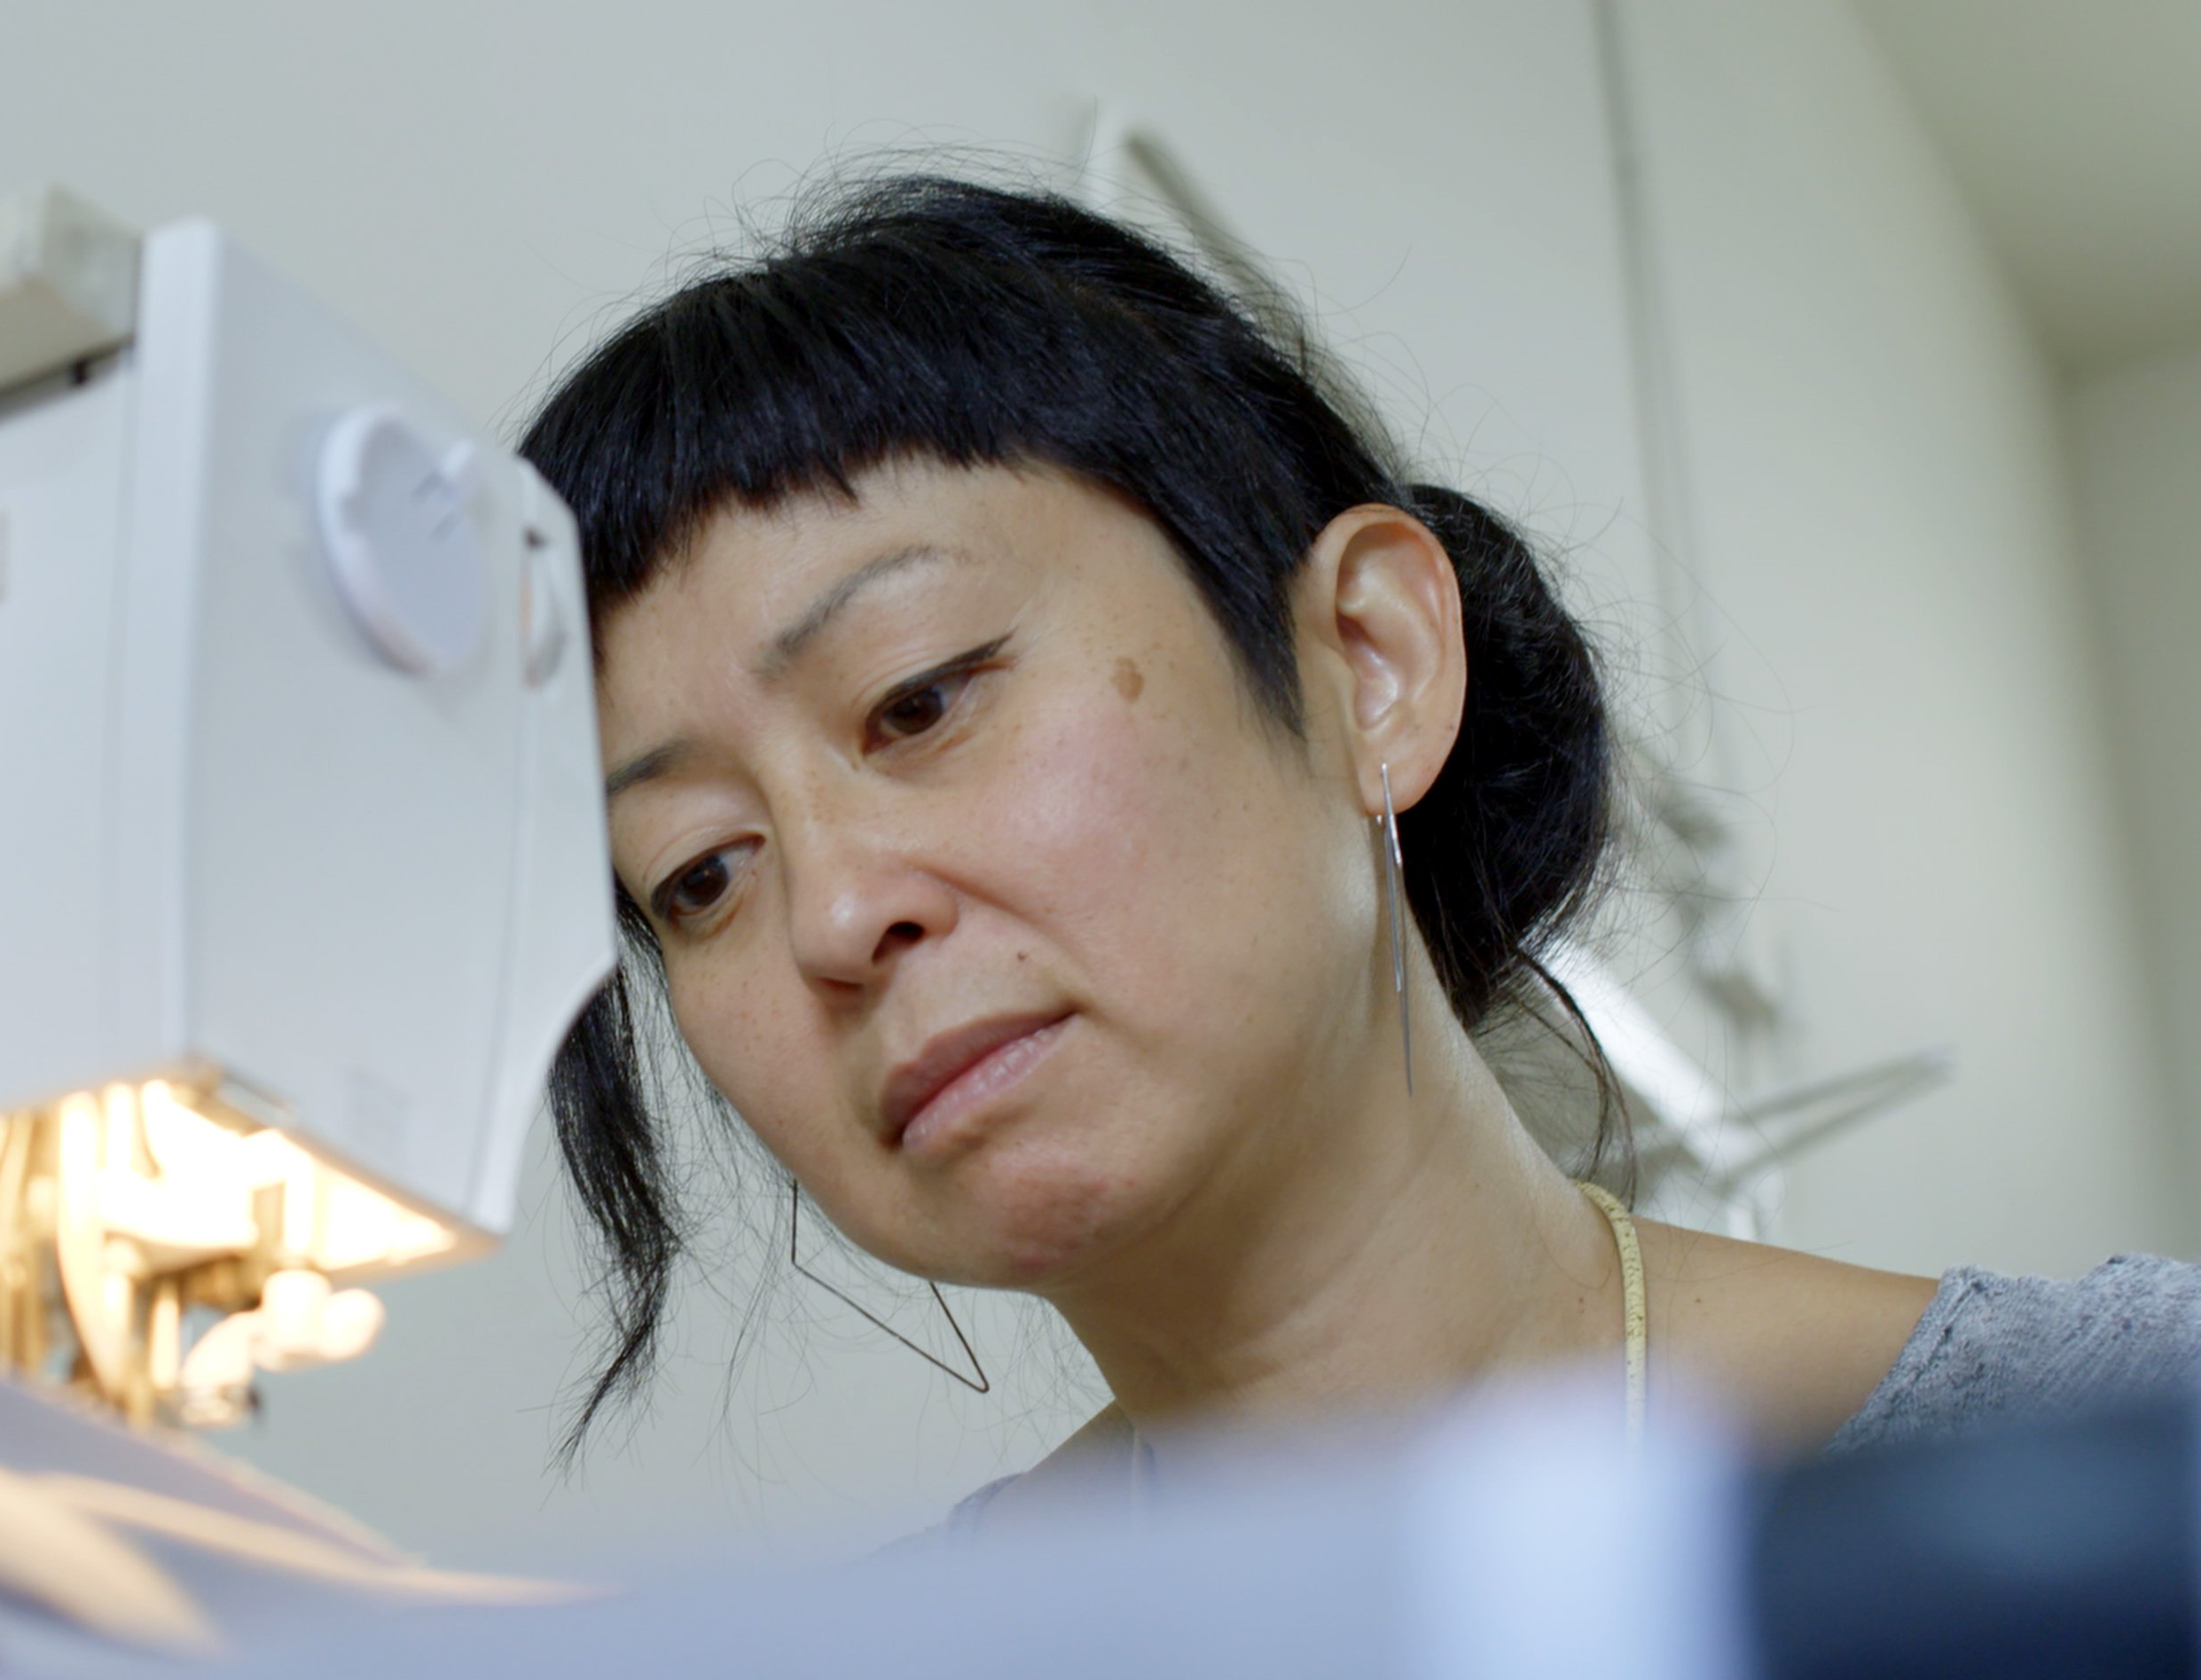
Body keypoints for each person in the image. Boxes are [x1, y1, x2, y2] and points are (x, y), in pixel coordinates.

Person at [518, 174, 2201, 1520]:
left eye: (917, 701)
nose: (831, 911)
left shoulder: (2127, 1460)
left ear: (1370, 667)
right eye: (698, 873)